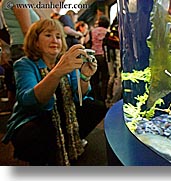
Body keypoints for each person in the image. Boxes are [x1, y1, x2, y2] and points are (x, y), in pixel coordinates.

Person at [1, 19, 107, 166]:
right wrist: (57, 72)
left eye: (58, 36)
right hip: (35, 119)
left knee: (96, 106)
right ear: (36, 41)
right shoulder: (24, 64)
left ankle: (73, 140)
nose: (55, 40)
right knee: (35, 132)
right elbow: (30, 101)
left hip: (63, 114)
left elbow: (79, 96)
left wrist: (85, 76)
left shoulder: (64, 61)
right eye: (48, 35)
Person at [1, 0, 40, 112]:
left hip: (20, 46)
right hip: (25, 47)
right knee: (30, 87)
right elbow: (27, 29)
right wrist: (38, 48)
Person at [90, 15, 110, 102]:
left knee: (95, 78)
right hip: (103, 56)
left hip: (94, 55)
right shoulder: (107, 32)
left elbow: (88, 41)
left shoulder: (92, 31)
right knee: (105, 77)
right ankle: (104, 97)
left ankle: (96, 97)